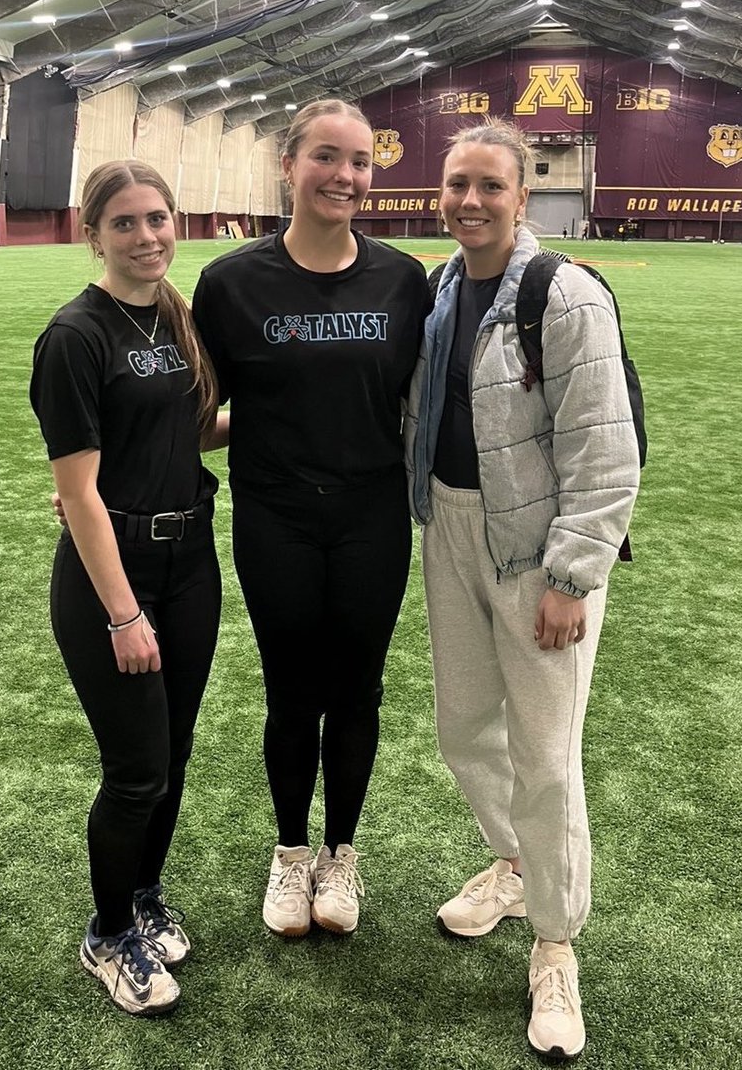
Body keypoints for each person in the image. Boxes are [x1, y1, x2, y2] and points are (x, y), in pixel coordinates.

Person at [404, 119, 640, 1059]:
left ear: (522, 195)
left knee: (546, 757)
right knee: (464, 728)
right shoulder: (439, 290)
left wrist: (574, 576)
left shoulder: (563, 293)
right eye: (457, 184)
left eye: (490, 186)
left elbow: (604, 448)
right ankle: (513, 866)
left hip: (540, 553)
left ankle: (555, 942)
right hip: (451, 529)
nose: (470, 201)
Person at [191, 99, 430, 939]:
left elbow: (431, 401)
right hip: (276, 519)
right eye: (327, 157)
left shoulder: (403, 280)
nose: (345, 176)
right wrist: (109, 472)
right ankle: (292, 853)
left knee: (358, 690)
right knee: (292, 693)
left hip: (371, 517)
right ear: (288, 165)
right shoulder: (230, 284)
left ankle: (342, 853)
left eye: (360, 161)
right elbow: (196, 414)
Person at [30, 160, 224, 1016]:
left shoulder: (176, 318)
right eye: (125, 223)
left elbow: (186, 433)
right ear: (93, 234)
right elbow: (78, 493)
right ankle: (108, 936)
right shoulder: (75, 335)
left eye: (157, 219)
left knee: (173, 755)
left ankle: (144, 896)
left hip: (192, 564)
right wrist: (123, 614)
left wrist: (297, 414)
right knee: (136, 770)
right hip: (114, 579)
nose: (147, 237)